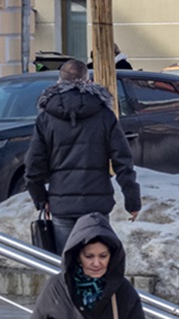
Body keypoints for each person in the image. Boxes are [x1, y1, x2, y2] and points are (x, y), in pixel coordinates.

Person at [21, 212, 158, 319]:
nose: (96, 263)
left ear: (112, 256)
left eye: (103, 256)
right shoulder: (56, 287)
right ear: (78, 255)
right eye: (89, 256)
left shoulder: (122, 290)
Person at [25, 58, 141, 253]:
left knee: (67, 264)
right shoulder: (104, 115)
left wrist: (40, 198)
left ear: (59, 82)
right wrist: (132, 200)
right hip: (96, 204)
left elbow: (33, 165)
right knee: (95, 262)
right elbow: (123, 161)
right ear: (87, 81)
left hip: (62, 203)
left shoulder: (46, 118)